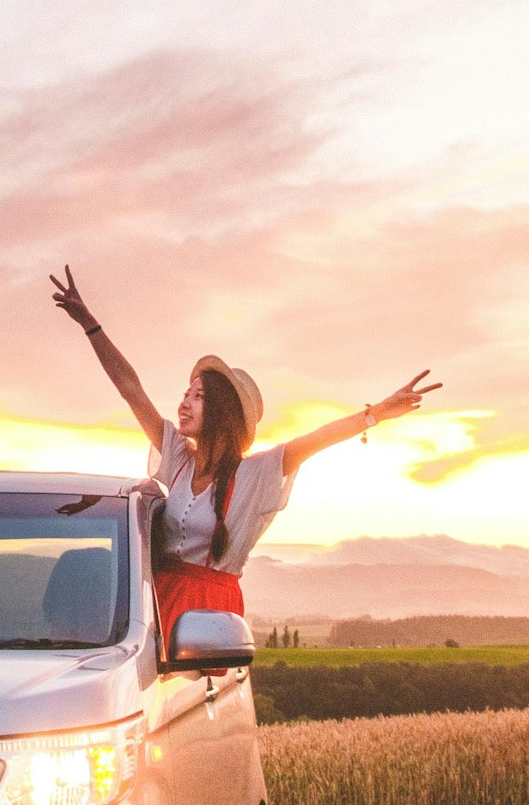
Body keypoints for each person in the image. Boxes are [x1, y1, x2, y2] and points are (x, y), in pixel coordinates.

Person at [48, 266, 439, 647]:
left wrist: (375, 413)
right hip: (155, 606)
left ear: (221, 412)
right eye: (186, 394)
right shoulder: (178, 459)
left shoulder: (256, 474)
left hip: (210, 617)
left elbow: (315, 439)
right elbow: (131, 388)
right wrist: (90, 325)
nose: (184, 403)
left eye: (198, 396)